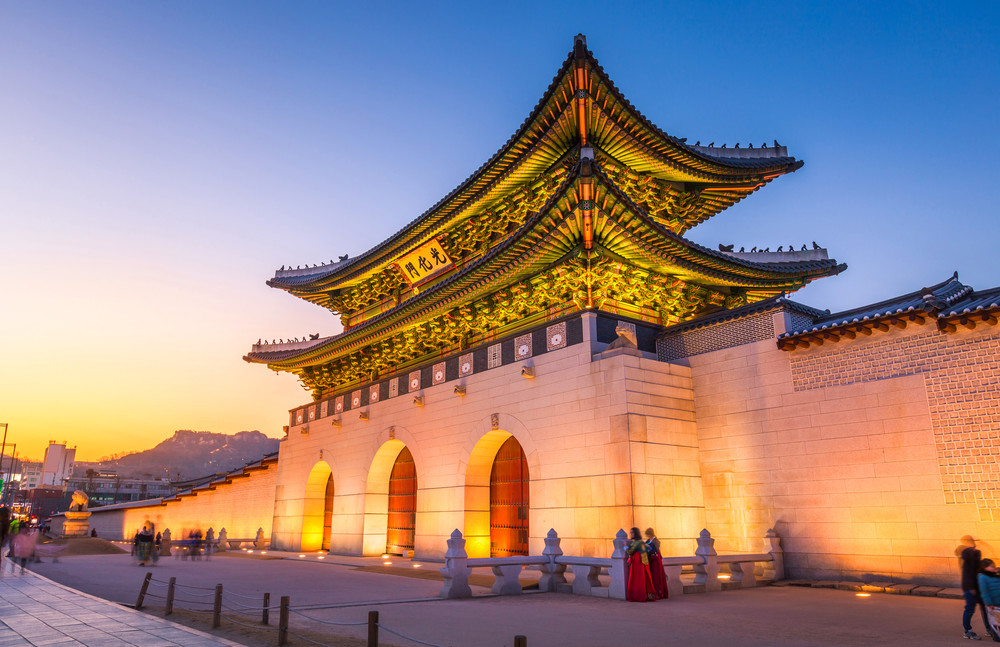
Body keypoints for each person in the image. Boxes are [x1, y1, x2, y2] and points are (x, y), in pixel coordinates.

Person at [961, 536, 997, 640]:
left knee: (985, 609)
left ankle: (989, 629)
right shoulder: (967, 556)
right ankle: (967, 631)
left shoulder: (976, 555)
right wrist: (971, 587)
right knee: (970, 610)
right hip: (970, 588)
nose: (974, 545)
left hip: (978, 587)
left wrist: (993, 570)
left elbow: (980, 569)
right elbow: (968, 574)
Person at [625, 527, 657, 602]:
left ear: (635, 533)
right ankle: (645, 595)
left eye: (632, 532)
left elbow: (629, 551)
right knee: (642, 579)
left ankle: (638, 596)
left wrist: (625, 545)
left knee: (637, 579)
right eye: (630, 532)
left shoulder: (636, 543)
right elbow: (647, 550)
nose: (631, 534)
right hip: (642, 562)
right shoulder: (641, 542)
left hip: (637, 563)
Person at [978, 559, 1000, 642]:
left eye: (993, 566)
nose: (993, 568)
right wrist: (989, 603)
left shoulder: (994, 574)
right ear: (984, 567)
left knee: (999, 619)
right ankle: (995, 636)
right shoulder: (982, 577)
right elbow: (984, 592)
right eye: (991, 566)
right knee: (993, 621)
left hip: (998, 601)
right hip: (992, 603)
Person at [644, 527, 667, 599]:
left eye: (648, 534)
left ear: (650, 534)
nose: (647, 536)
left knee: (656, 576)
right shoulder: (648, 540)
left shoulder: (656, 541)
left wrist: (648, 547)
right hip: (650, 559)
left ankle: (658, 593)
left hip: (655, 560)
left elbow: (655, 550)